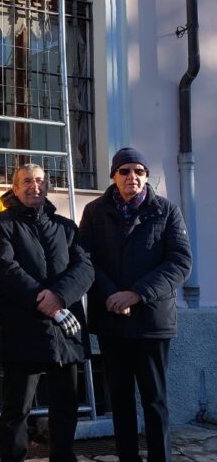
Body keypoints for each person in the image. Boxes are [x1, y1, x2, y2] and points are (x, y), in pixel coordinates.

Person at [79, 148, 192, 462]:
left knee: (155, 400)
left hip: (152, 322)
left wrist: (136, 294)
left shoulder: (167, 211)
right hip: (111, 319)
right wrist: (112, 294)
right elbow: (85, 259)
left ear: (146, 176)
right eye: (125, 171)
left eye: (139, 171)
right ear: (114, 176)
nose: (132, 177)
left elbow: (180, 263)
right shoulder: (95, 212)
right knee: (120, 400)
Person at [0, 163, 94, 462]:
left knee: (66, 405)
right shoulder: (0, 225)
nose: (35, 186)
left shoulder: (67, 227)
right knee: (17, 409)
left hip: (64, 331)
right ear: (15, 188)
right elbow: (3, 267)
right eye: (27, 181)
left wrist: (59, 297)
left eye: (41, 181)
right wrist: (40, 298)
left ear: (48, 187)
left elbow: (84, 268)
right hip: (23, 328)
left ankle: (63, 457)